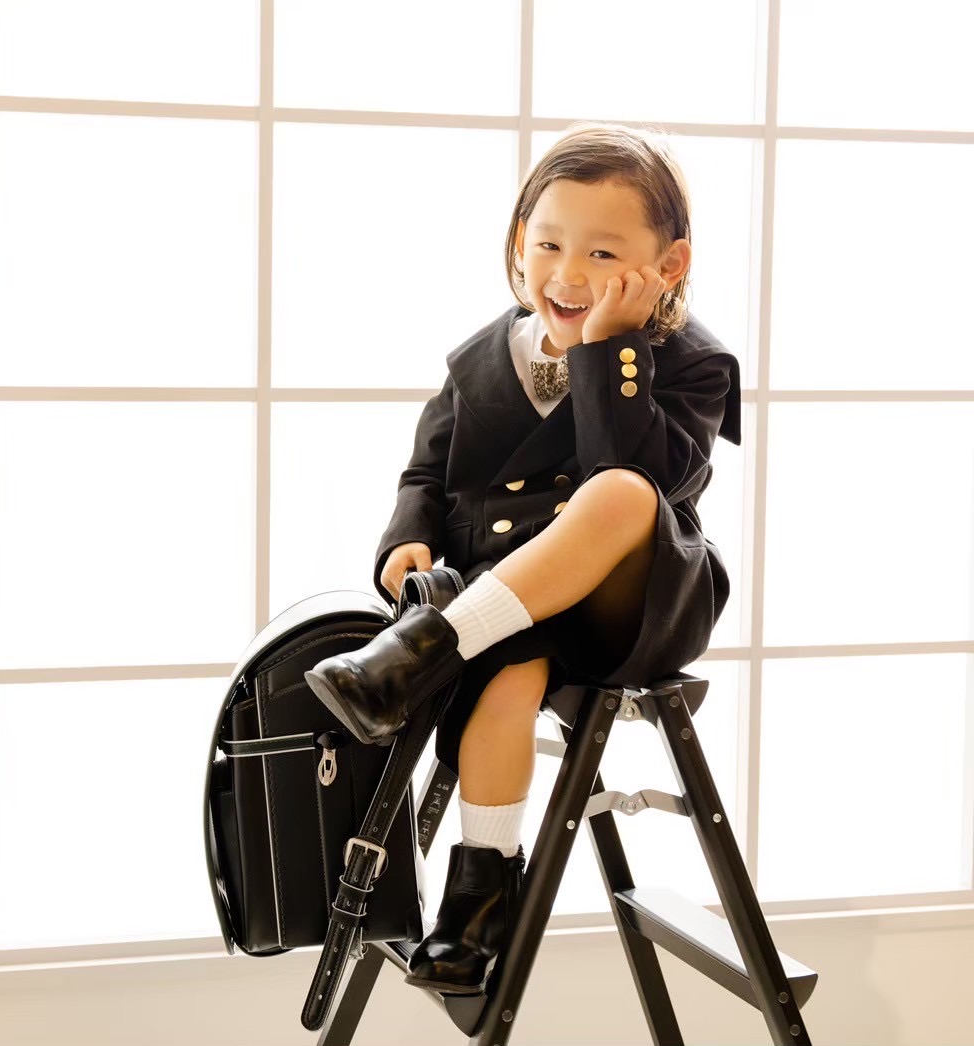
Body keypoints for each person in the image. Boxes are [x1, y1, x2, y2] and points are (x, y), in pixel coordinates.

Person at [305, 121, 742, 995]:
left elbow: (651, 474)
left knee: (620, 493)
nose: (569, 273)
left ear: (669, 264)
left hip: (633, 598)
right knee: (502, 690)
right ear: (517, 241)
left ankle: (420, 653)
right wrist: (409, 536)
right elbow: (427, 470)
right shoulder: (483, 358)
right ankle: (479, 901)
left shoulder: (691, 363)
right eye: (548, 244)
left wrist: (608, 351)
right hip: (510, 602)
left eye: (602, 252)